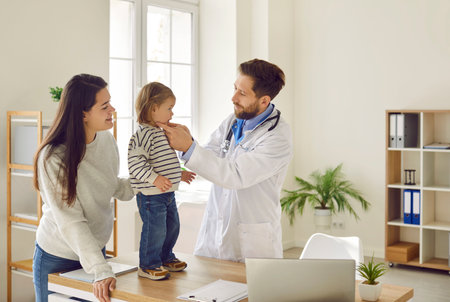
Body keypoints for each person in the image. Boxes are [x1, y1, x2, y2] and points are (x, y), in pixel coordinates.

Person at [158, 59, 293, 262]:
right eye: (235, 88)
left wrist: (188, 147)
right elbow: (210, 154)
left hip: (253, 243)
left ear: (264, 101)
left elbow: (235, 175)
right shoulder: (233, 121)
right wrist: (188, 141)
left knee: (250, 293)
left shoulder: (277, 137)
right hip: (214, 233)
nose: (233, 97)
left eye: (242, 93)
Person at [32, 74, 134, 302]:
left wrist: (151, 178)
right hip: (57, 256)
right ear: (82, 113)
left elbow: (113, 186)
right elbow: (71, 221)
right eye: (105, 106)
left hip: (95, 252)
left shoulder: (106, 141)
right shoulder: (52, 157)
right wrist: (100, 269)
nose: (113, 110)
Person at [128, 82, 196, 280]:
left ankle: (166, 257)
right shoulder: (142, 135)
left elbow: (165, 161)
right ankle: (148, 264)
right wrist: (154, 179)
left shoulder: (162, 133)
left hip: (167, 194)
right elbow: (135, 164)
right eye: (169, 109)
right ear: (153, 108)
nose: (172, 114)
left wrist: (180, 173)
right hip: (151, 196)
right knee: (155, 230)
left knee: (172, 227)